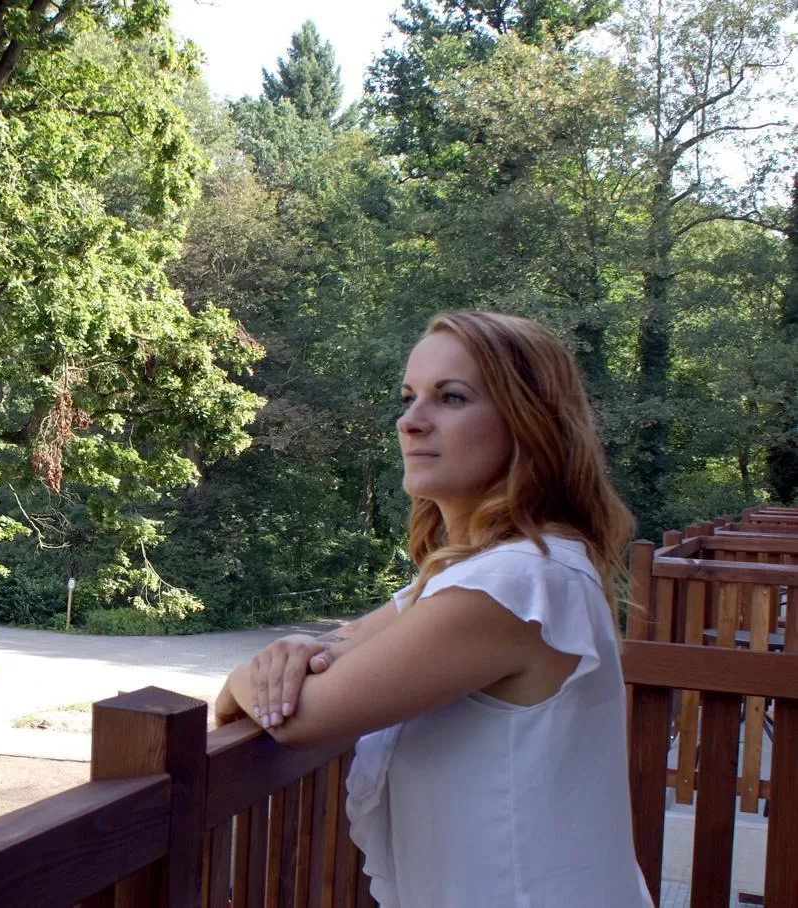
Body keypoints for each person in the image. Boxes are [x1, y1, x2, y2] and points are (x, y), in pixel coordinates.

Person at [214, 311, 654, 908]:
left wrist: (251, 673)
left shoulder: (515, 584)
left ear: (529, 422)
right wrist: (291, 658)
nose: (411, 421)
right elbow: (338, 652)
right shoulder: (473, 577)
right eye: (408, 397)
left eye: (450, 397)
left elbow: (297, 714)